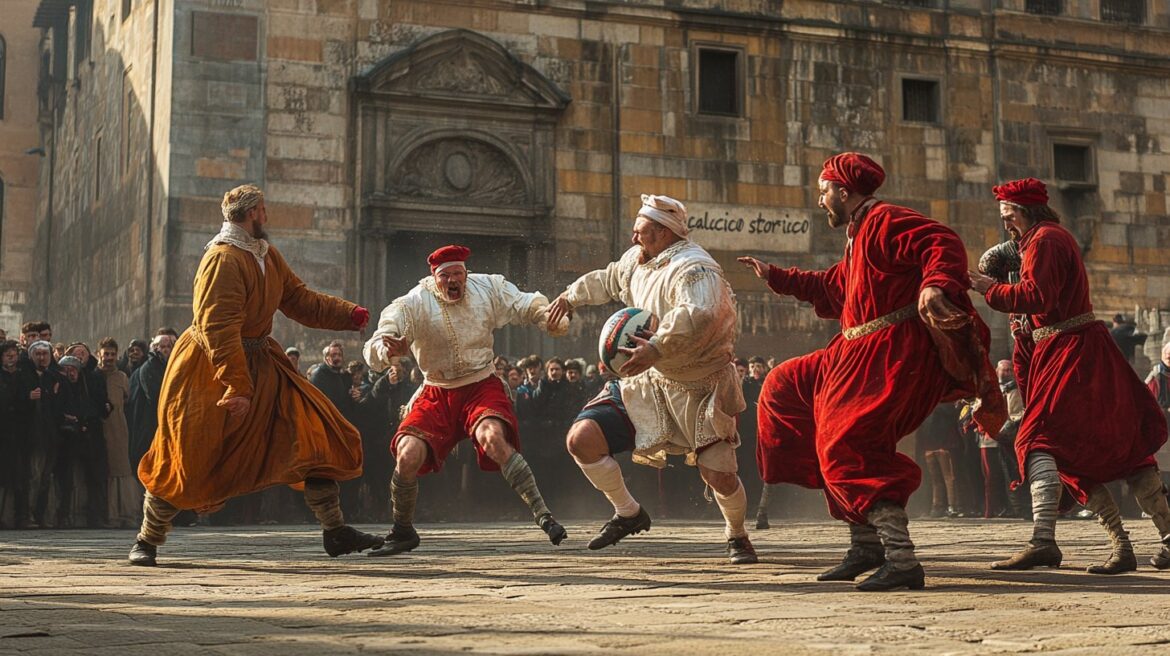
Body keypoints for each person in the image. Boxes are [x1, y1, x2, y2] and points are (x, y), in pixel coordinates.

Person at [741, 153, 1004, 590]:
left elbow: (941, 242)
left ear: (845, 192)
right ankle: (864, 546)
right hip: (854, 349)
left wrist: (935, 282)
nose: (820, 199)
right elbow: (832, 286)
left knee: (845, 443)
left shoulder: (883, 219)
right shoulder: (858, 232)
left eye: (824, 190)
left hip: (890, 352)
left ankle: (900, 558)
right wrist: (777, 275)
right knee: (784, 385)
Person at [131, 183, 382, 566]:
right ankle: (147, 539)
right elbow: (218, 326)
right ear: (251, 214)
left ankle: (335, 530)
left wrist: (347, 314)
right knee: (188, 454)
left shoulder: (266, 255)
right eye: (263, 210)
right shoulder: (222, 259)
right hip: (208, 370)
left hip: (262, 362)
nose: (267, 216)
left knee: (313, 431)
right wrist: (237, 384)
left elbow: (299, 299)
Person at [970, 177, 1169, 573]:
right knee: (1090, 450)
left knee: (1042, 437)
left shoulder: (1045, 240)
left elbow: (1038, 296)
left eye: (1008, 214)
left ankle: (1044, 540)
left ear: (1025, 210)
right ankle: (1123, 544)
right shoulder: (1038, 241)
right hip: (1067, 352)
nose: (1006, 221)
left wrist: (989, 289)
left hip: (1076, 354)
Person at [548, 193, 757, 564]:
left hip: (700, 386)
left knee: (719, 475)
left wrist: (657, 346)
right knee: (581, 439)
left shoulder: (695, 268)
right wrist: (570, 297)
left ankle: (737, 535)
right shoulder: (637, 259)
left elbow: (699, 314)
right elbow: (608, 278)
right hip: (645, 380)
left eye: (639, 232)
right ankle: (628, 513)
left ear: (662, 232)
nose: (632, 239)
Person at [364, 244, 569, 555]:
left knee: (493, 439)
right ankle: (402, 529)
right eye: (445, 276)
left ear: (466, 273)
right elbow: (382, 335)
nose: (452, 282)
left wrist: (547, 317)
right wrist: (385, 350)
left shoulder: (488, 287)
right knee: (407, 454)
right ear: (435, 279)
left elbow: (525, 304)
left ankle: (544, 516)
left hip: (480, 383)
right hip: (437, 389)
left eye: (457, 274)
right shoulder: (414, 302)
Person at [97, 338, 139, 528]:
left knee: (121, 468)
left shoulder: (122, 377)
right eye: (106, 354)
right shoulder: (94, 375)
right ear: (100, 354)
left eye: (112, 354)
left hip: (119, 428)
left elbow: (128, 400)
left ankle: (123, 513)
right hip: (99, 428)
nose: (109, 358)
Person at [126, 334, 175, 471]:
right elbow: (156, 398)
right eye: (162, 346)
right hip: (148, 425)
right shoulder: (150, 368)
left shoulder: (166, 366)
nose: (166, 350)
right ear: (155, 349)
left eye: (169, 346)